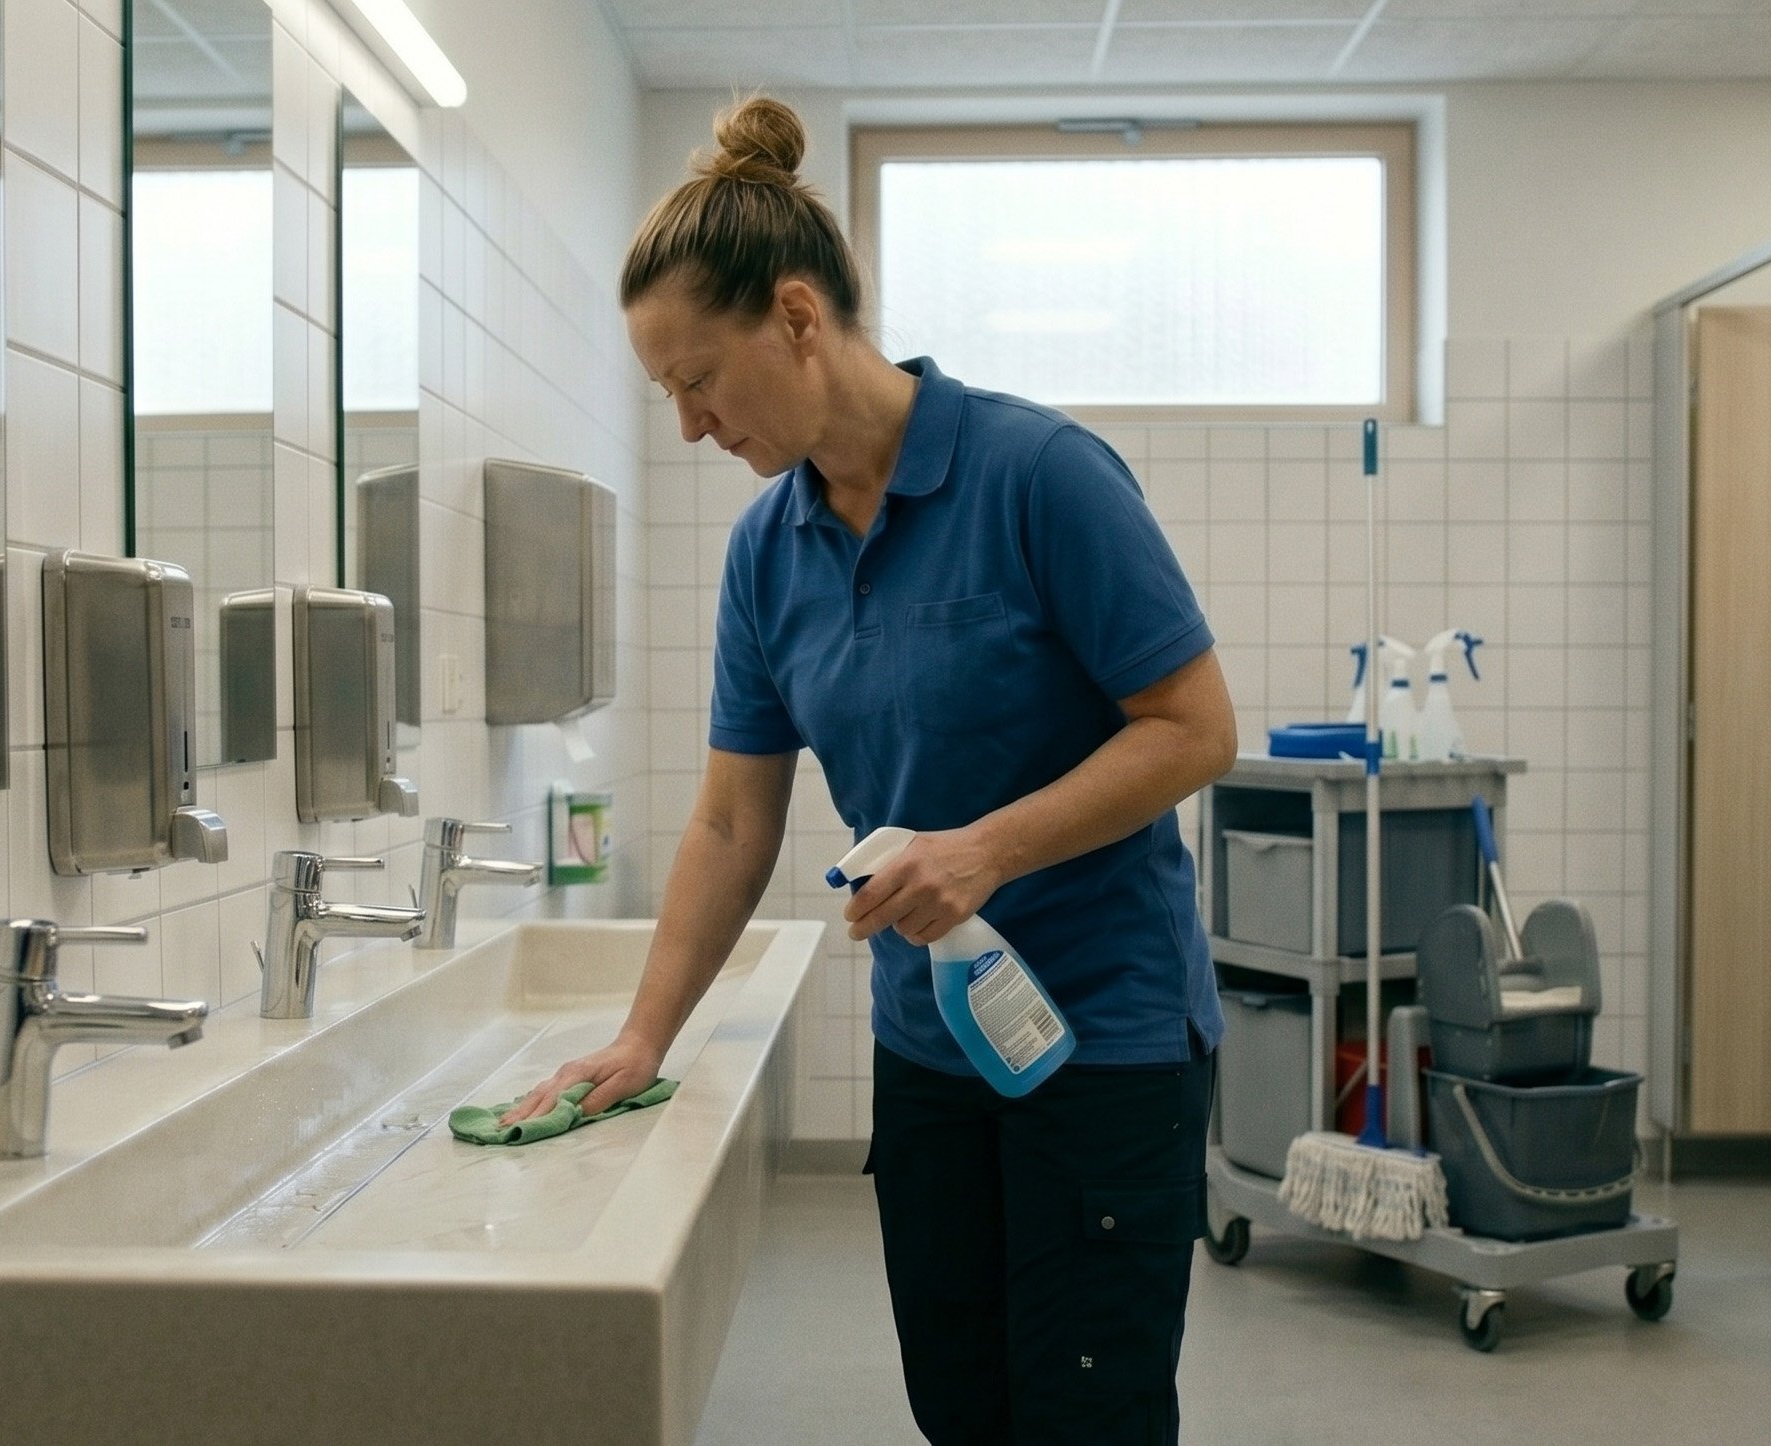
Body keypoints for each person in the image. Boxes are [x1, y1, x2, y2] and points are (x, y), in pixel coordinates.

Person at [498, 96, 1237, 1445]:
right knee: (960, 1406)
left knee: (1087, 1415)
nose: (688, 424)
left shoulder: (1040, 475)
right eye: (666, 392)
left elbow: (1194, 728)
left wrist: (985, 849)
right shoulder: (765, 554)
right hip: (933, 1046)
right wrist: (646, 1033)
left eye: (697, 378)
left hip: (1103, 1042)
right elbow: (734, 821)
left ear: (795, 316)